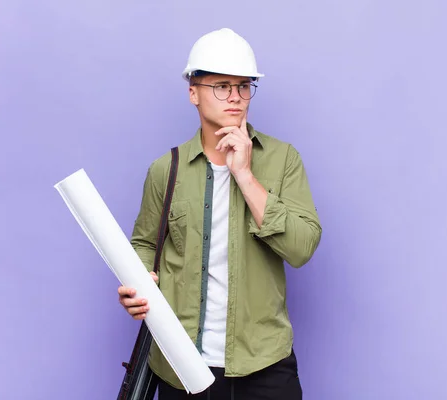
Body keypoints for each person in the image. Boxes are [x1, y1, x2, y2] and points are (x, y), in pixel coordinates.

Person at [118, 28, 322, 399]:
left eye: (244, 86)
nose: (236, 97)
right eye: (222, 86)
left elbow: (302, 247)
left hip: (264, 362)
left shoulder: (283, 160)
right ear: (193, 93)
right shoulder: (167, 169)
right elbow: (145, 242)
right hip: (183, 366)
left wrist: (244, 174)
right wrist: (137, 282)